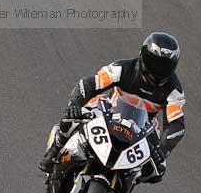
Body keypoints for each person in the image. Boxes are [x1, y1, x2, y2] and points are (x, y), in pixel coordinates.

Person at [40, 32, 185, 182]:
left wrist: (162, 149)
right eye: (155, 63)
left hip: (144, 127)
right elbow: (89, 84)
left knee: (158, 169)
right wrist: (75, 106)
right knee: (71, 119)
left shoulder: (174, 89)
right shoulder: (123, 68)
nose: (159, 71)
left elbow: (176, 124)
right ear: (144, 56)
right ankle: (55, 149)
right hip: (109, 110)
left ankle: (126, 180)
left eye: (165, 67)